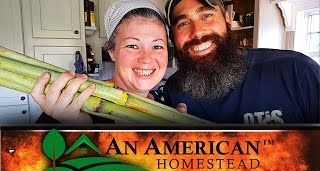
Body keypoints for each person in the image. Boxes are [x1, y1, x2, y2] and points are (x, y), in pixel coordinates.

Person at [163, 0, 320, 124]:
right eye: (183, 23)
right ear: (172, 37)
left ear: (227, 19)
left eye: (206, 16)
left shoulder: (298, 72)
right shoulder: (173, 90)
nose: (197, 31)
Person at [32, 0, 169, 124]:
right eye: (132, 46)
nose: (146, 59)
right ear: (111, 51)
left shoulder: (168, 108)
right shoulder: (70, 106)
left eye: (157, 46)